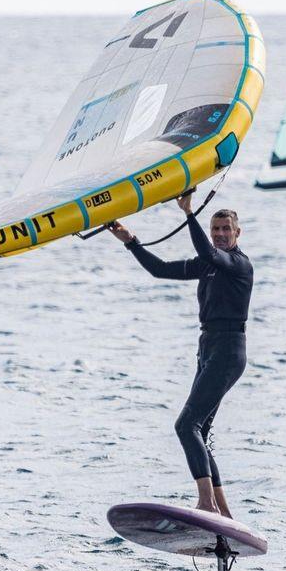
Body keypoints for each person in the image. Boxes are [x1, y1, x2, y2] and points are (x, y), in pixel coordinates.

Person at [109, 195, 252, 518]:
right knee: (197, 429)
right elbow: (160, 270)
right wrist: (131, 242)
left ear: (237, 233)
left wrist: (188, 212)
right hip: (208, 348)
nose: (219, 233)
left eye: (225, 229)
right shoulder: (209, 265)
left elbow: (209, 253)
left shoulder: (238, 264)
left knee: (186, 425)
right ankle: (223, 512)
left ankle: (205, 503)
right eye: (215, 228)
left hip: (229, 350)